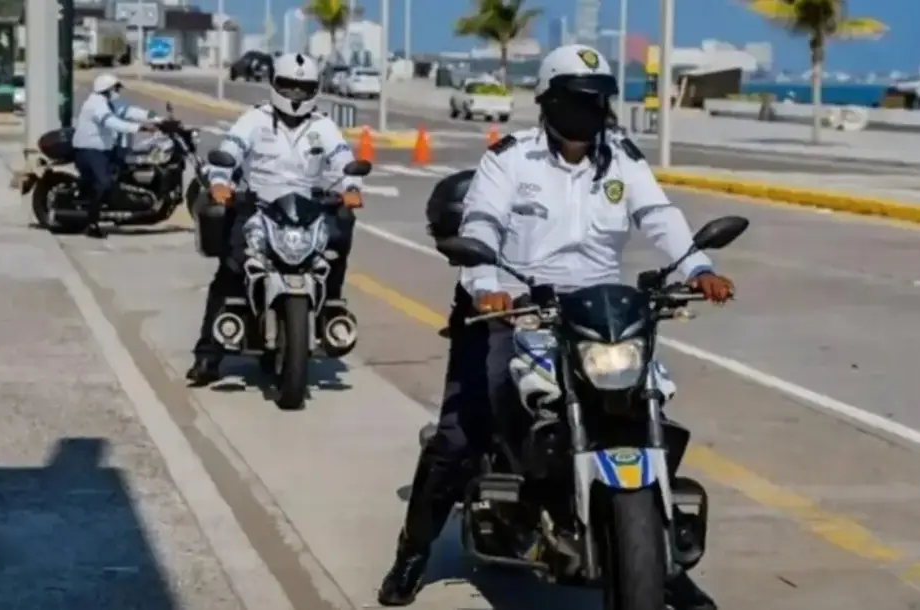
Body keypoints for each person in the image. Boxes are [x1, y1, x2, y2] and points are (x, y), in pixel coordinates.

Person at [377, 44, 734, 610]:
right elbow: (482, 227)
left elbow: (658, 216)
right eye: (579, 99)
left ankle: (657, 561)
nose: (591, 110)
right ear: (549, 101)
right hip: (512, 307)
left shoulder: (621, 158)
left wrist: (698, 267)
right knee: (459, 436)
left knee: (645, 410)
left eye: (599, 101)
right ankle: (413, 552)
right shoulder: (511, 159)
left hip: (598, 313)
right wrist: (488, 286)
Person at [186, 51, 364, 385]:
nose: (295, 95)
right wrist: (221, 183)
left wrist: (351, 186)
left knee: (336, 243)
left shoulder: (323, 126)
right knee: (230, 271)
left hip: (307, 211)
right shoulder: (255, 120)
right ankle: (208, 356)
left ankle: (331, 315)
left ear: (315, 89)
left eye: (303, 88)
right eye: (289, 86)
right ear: (274, 84)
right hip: (258, 207)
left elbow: (344, 161)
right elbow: (228, 153)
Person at [72, 73, 159, 238]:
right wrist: (140, 128)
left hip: (106, 149)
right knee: (103, 183)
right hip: (90, 150)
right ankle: (91, 223)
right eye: (116, 88)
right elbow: (112, 123)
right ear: (107, 89)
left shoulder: (110, 102)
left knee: (128, 168)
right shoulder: (95, 104)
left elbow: (128, 111)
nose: (118, 91)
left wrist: (154, 117)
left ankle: (128, 203)